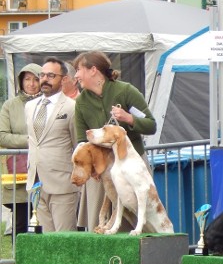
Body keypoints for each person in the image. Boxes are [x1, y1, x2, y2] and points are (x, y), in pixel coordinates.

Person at [73, 51, 156, 231]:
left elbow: (151, 125)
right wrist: (91, 168)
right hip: (101, 170)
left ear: (93, 70)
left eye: (79, 69)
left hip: (132, 165)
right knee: (100, 223)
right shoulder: (81, 102)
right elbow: (81, 141)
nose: (76, 75)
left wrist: (129, 119)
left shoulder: (126, 91)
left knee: (144, 221)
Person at [25, 57, 79, 232]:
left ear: (63, 79)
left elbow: (78, 145)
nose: (44, 79)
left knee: (64, 241)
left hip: (62, 184)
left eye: (51, 75)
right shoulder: (30, 106)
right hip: (36, 181)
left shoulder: (72, 107)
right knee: (47, 244)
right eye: (42, 75)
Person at [0, 63, 42, 238]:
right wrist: (30, 141)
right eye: (27, 79)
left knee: (43, 221)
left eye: (36, 79)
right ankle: (19, 262)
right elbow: (2, 135)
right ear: (20, 81)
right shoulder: (10, 105)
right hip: (18, 172)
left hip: (43, 171)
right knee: (20, 221)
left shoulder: (47, 103)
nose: (31, 84)